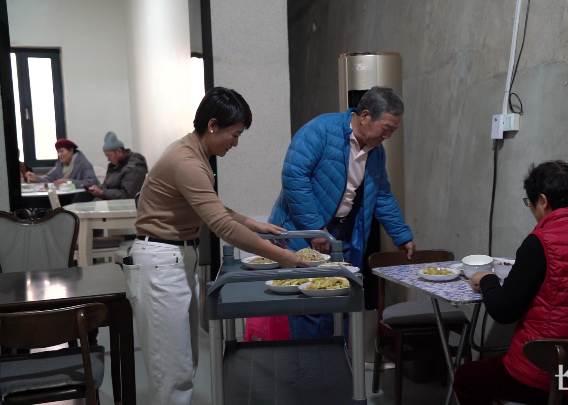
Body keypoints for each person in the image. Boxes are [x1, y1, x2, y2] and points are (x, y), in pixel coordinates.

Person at [129, 87, 310, 404]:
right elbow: (220, 225)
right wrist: (283, 256)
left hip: (173, 259)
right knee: (171, 373)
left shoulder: (194, 153)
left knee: (183, 364)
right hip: (160, 262)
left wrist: (252, 223)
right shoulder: (187, 161)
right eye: (234, 134)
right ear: (213, 125)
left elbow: (210, 206)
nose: (235, 143)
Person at [453, 161, 568, 404]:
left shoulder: (540, 243)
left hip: (547, 380)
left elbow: (503, 311)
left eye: (530, 202)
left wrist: (487, 279)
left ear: (543, 201)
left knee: (466, 377)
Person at [268, 86, 416, 339]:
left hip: (343, 232)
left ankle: (338, 361)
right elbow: (294, 176)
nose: (388, 136)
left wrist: (401, 235)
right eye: (386, 129)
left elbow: (381, 194)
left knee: (341, 300)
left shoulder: (376, 151)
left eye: (393, 131)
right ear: (365, 115)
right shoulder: (321, 130)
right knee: (308, 306)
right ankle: (310, 363)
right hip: (301, 230)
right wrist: (315, 228)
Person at [76, 131, 148, 202]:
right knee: (82, 196)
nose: (108, 159)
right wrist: (98, 188)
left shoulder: (134, 167)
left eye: (109, 155)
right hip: (110, 201)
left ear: (119, 152)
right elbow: (107, 185)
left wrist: (102, 192)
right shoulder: (114, 165)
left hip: (124, 205)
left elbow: (127, 195)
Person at [25, 139, 98, 188]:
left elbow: (90, 183)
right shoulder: (59, 166)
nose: (59, 155)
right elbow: (50, 179)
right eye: (58, 152)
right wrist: (36, 178)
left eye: (62, 151)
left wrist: (68, 181)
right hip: (65, 196)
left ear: (71, 150)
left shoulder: (85, 165)